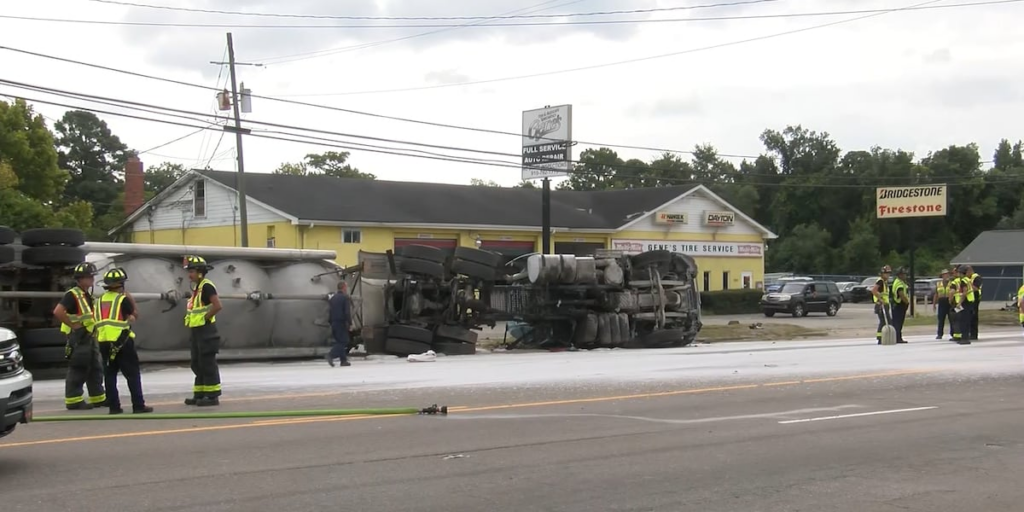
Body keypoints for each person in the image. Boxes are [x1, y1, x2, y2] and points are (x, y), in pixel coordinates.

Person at [93, 268, 153, 415]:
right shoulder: (122, 299)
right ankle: (138, 405)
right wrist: (130, 299)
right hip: (122, 341)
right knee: (132, 374)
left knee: (110, 374)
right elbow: (133, 317)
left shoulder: (99, 301)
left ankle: (114, 407)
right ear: (121, 285)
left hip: (104, 342)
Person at [52, 262, 106, 410]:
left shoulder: (86, 295)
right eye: (89, 277)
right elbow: (58, 311)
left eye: (92, 277)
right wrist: (74, 325)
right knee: (79, 367)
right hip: (79, 337)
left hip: (89, 336)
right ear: (80, 279)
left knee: (95, 367)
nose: (92, 280)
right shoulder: (72, 294)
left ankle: (98, 397)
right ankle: (73, 400)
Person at [183, 255, 223, 407]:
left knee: (207, 363)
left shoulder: (207, 286)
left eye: (191, 271)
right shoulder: (197, 288)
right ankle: (199, 393)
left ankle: (212, 396)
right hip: (196, 330)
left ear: (200, 272)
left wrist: (205, 318)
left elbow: (217, 305)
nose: (189, 275)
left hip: (206, 331)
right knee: (197, 362)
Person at [326, 281, 353, 367]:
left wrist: (330, 322)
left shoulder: (333, 298)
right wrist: (350, 323)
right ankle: (331, 355)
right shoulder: (345, 298)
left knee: (339, 341)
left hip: (334, 322)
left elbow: (329, 311)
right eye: (346, 287)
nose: (347, 289)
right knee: (344, 341)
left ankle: (343, 361)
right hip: (341, 322)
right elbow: (347, 312)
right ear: (344, 288)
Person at [949, 266, 971, 345]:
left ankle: (965, 338)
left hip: (965, 302)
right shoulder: (967, 279)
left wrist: (959, 303)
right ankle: (965, 337)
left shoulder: (963, 281)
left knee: (963, 320)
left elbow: (964, 292)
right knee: (965, 320)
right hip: (969, 301)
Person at [872, 265, 893, 345]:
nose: (888, 275)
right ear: (882, 274)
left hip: (885, 304)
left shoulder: (884, 282)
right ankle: (880, 337)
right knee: (884, 321)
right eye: (886, 273)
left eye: (889, 273)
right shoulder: (880, 281)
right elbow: (874, 290)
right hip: (881, 305)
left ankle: (881, 337)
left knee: (885, 321)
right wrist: (880, 300)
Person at [890, 267, 910, 344]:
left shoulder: (900, 282)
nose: (905, 275)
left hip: (897, 304)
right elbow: (901, 294)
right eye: (904, 274)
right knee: (898, 322)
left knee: (897, 322)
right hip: (899, 304)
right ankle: (897, 338)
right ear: (900, 275)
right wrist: (907, 302)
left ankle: (897, 337)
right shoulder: (899, 283)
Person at [964, 265, 983, 340]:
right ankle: (969, 333)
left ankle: (974, 334)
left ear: (970, 271)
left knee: (974, 317)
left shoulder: (976, 277)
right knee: (969, 316)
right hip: (969, 299)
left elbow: (976, 288)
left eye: (966, 272)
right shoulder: (969, 278)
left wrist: (968, 284)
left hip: (975, 299)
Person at [933, 269, 952, 340]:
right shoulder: (938, 284)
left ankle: (952, 333)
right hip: (941, 302)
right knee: (941, 319)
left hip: (949, 301)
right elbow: (936, 294)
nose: (946, 276)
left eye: (947, 274)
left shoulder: (952, 283)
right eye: (945, 274)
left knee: (951, 319)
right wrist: (934, 304)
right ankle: (939, 334)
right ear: (942, 276)